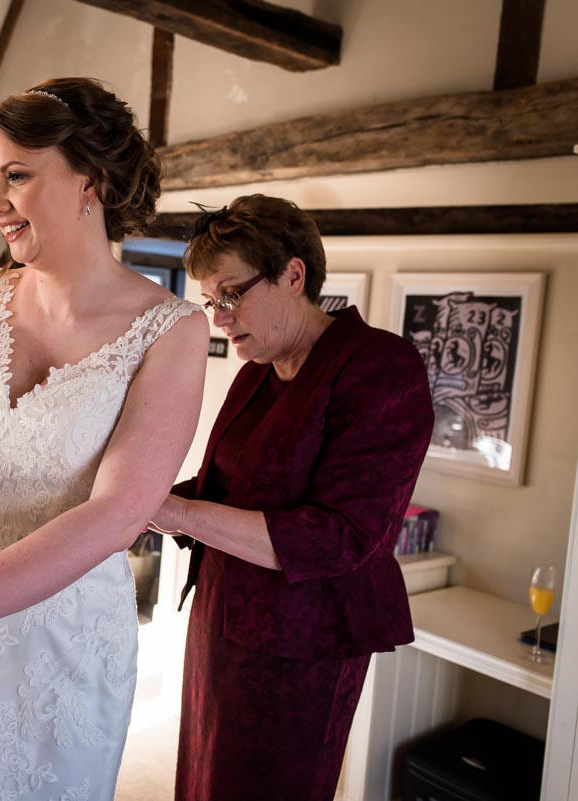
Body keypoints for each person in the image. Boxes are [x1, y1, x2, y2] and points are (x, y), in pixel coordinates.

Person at [0, 77, 209, 800]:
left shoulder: (173, 330)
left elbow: (119, 512)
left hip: (62, 641)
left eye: (17, 176)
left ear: (88, 179)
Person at [148, 195, 433, 801]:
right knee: (202, 782)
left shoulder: (380, 366)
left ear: (293, 274)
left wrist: (170, 511)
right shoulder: (258, 369)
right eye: (210, 300)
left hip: (303, 647)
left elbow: (343, 537)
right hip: (220, 624)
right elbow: (214, 491)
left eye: (231, 294)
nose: (220, 317)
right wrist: (125, 497)